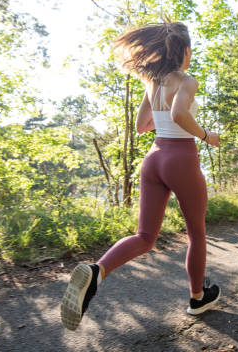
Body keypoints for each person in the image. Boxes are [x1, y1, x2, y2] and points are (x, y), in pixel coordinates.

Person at [60, 21, 221, 331]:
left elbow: (141, 125)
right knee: (196, 234)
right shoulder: (187, 81)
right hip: (181, 159)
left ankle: (97, 271)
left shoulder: (152, 82)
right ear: (185, 51)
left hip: (154, 159)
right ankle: (198, 298)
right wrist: (206, 135)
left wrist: (162, 120)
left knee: (145, 237)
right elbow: (179, 115)